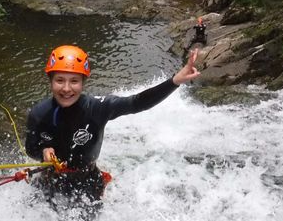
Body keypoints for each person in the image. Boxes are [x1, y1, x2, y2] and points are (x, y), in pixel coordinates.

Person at [24, 45, 200, 217]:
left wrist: (174, 81)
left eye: (74, 81)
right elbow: (31, 148)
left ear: (84, 81)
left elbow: (137, 102)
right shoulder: (39, 113)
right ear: (50, 80)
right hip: (50, 180)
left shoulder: (98, 108)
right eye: (60, 80)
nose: (66, 88)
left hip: (88, 181)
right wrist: (44, 151)